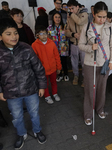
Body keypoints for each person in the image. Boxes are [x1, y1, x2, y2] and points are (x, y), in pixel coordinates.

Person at [0, 18, 47, 149]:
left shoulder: (26, 48)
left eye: (15, 32)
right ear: (0, 36)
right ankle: (21, 133)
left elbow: (38, 67)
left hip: (30, 90)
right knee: (16, 116)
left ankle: (37, 130)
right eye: (8, 34)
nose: (14, 36)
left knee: (34, 113)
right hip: (11, 93)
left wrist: (42, 85)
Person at [78, 1, 112, 125]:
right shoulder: (87, 27)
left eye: (104, 17)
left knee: (101, 88)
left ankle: (100, 109)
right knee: (89, 89)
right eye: (99, 16)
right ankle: (88, 114)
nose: (102, 20)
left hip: (104, 63)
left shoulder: (110, 26)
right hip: (90, 63)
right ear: (93, 14)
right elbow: (80, 45)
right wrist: (90, 48)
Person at [32, 25, 62, 104]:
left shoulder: (51, 43)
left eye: (45, 33)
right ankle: (47, 96)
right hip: (42, 70)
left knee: (54, 82)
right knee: (44, 84)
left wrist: (58, 67)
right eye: (41, 34)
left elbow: (56, 56)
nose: (44, 35)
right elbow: (34, 60)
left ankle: (55, 93)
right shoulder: (34, 45)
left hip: (52, 68)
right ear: (37, 35)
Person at [66, 0, 88, 87]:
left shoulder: (84, 14)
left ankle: (84, 77)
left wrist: (72, 15)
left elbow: (79, 22)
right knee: (74, 61)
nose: (71, 10)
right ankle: (76, 75)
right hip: (74, 43)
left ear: (77, 7)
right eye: (69, 9)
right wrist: (73, 34)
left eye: (73, 8)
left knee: (84, 61)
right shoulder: (69, 18)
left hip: (83, 43)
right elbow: (66, 31)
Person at [47, 12, 70, 82]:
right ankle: (59, 75)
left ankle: (66, 74)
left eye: (59, 17)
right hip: (54, 48)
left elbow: (68, 36)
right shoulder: (49, 28)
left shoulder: (65, 27)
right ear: (53, 18)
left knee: (64, 62)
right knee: (57, 62)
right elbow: (47, 38)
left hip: (63, 48)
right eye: (56, 17)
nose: (57, 19)